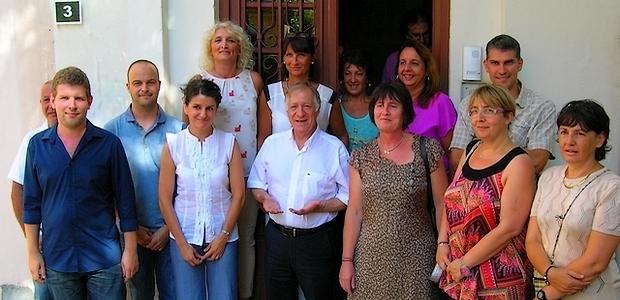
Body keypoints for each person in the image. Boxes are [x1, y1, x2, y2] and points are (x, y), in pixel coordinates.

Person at [23, 66, 139, 300]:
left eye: (78, 98)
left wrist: (131, 250)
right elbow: (31, 204)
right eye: (65, 98)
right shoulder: (37, 146)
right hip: (59, 259)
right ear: (53, 101)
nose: (72, 105)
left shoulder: (109, 144)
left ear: (89, 101)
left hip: (104, 260)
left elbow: (126, 201)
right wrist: (33, 253)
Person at [339, 82, 449, 299]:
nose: (385, 111)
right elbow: (354, 212)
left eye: (393, 106)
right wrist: (347, 261)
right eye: (380, 105)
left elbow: (442, 204)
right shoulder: (361, 157)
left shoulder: (428, 150)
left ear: (405, 112)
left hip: (418, 255)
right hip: (371, 258)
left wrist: (443, 244)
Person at [248, 81, 349, 300]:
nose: (300, 113)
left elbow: (349, 196)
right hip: (277, 239)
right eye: (294, 107)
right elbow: (256, 182)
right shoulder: (272, 145)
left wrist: (322, 206)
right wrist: (263, 198)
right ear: (286, 111)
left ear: (317, 110)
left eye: (306, 106)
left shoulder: (334, 149)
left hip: (317, 242)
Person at [439, 85, 535, 299]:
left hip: (498, 279)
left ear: (508, 116)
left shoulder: (518, 163)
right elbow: (451, 198)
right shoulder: (471, 149)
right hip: (459, 273)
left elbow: (510, 228)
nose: (479, 117)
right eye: (474, 111)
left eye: (489, 110)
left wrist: (465, 263)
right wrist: (442, 243)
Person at [193, 21, 264, 300]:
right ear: (210, 48)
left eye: (231, 40)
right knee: (213, 235)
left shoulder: (253, 80)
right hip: (211, 175)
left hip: (248, 173)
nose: (224, 45)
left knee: (245, 238)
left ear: (240, 47)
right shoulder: (199, 81)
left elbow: (263, 128)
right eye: (218, 40)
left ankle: (242, 295)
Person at [104, 60, 184, 300]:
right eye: (137, 83)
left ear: (159, 85)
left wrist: (167, 227)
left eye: (150, 82)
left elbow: (187, 186)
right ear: (128, 87)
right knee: (140, 295)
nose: (144, 88)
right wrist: (132, 229)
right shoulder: (111, 131)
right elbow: (107, 187)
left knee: (174, 294)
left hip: (171, 231)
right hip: (131, 233)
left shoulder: (178, 130)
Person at [159, 79, 245, 300]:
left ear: (216, 110)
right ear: (186, 107)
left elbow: (239, 195)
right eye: (196, 107)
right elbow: (164, 199)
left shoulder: (228, 143)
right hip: (184, 234)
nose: (203, 114)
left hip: (222, 234)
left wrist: (223, 236)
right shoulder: (173, 145)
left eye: (209, 108)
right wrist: (181, 243)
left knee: (224, 296)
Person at [526, 100, 620, 300]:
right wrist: (549, 273)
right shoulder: (549, 176)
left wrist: (547, 294)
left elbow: (596, 261)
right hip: (544, 284)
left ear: (600, 139)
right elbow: (533, 239)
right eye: (564, 132)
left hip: (591, 293)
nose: (569, 141)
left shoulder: (611, 186)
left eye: (580, 133)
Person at [449, 34, 556, 176]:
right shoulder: (468, 104)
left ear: (520, 64)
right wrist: (517, 152)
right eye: (495, 63)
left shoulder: (542, 107)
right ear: (486, 65)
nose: (502, 70)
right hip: (475, 194)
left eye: (508, 62)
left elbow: (537, 162)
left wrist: (480, 147)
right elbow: (457, 159)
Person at [257, 32, 348, 148]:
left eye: (301, 55)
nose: (294, 61)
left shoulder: (328, 96)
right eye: (289, 55)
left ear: (312, 58)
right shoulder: (270, 94)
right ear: (283, 58)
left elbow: (341, 137)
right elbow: (263, 139)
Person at [8, 80, 55, 300]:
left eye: (56, 98)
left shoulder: (89, 138)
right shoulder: (32, 141)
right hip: (45, 244)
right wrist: (31, 238)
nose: (52, 105)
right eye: (47, 100)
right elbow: (18, 191)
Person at [397, 39, 457, 178]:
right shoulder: (393, 102)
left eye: (414, 63)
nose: (407, 68)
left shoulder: (440, 103)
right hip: (399, 186)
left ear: (426, 70)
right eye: (402, 63)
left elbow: (453, 155)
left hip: (434, 187)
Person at [338, 48, 378, 151]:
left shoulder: (378, 107)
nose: (352, 80)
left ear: (367, 77)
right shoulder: (336, 105)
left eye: (359, 74)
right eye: (347, 74)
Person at [381, 8, 432, 83]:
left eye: (425, 34)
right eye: (416, 35)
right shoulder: (393, 60)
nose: (422, 40)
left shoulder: (438, 56)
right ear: (406, 35)